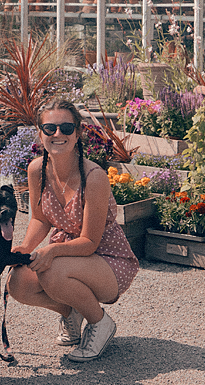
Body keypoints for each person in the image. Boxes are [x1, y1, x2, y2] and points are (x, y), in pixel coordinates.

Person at [8, 99, 139, 361]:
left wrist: (52, 250)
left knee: (51, 271)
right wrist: (25, 248)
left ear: (78, 133)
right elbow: (40, 219)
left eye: (67, 128)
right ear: (39, 132)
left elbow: (90, 241)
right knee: (18, 282)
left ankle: (100, 322)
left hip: (108, 260)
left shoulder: (94, 177)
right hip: (68, 256)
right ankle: (71, 311)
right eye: (50, 129)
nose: (58, 135)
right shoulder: (37, 170)